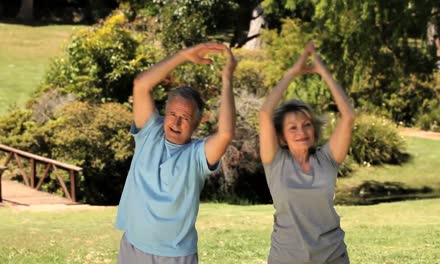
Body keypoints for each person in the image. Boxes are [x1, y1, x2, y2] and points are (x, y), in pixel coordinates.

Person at [115, 42, 237, 264]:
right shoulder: (149, 133)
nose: (177, 122)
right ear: (165, 112)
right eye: (172, 114)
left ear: (197, 123)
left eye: (186, 118)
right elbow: (141, 84)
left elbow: (226, 133)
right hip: (133, 247)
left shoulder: (198, 156)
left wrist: (227, 79)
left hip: (175, 256)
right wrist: (183, 55)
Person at [259, 41, 355, 264]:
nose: (301, 131)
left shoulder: (327, 159)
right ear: (281, 136)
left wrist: (324, 73)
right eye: (292, 127)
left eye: (307, 124)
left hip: (332, 255)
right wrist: (293, 72)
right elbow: (265, 113)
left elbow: (348, 116)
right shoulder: (274, 162)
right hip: (287, 256)